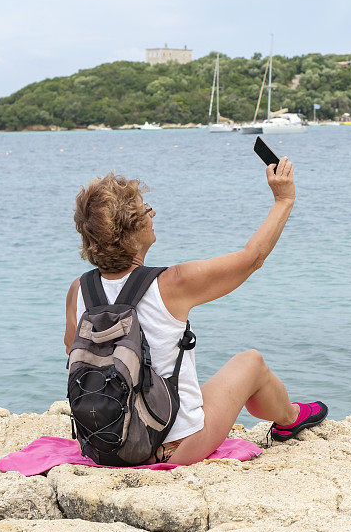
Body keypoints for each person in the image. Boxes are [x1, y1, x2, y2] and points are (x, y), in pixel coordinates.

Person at [64, 157, 327, 465]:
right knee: (251, 363)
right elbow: (252, 258)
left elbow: (73, 349)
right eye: (146, 209)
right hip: (168, 448)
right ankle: (290, 418)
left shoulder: (79, 289)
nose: (153, 214)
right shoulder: (173, 283)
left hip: (104, 445)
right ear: (134, 230)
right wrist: (284, 200)